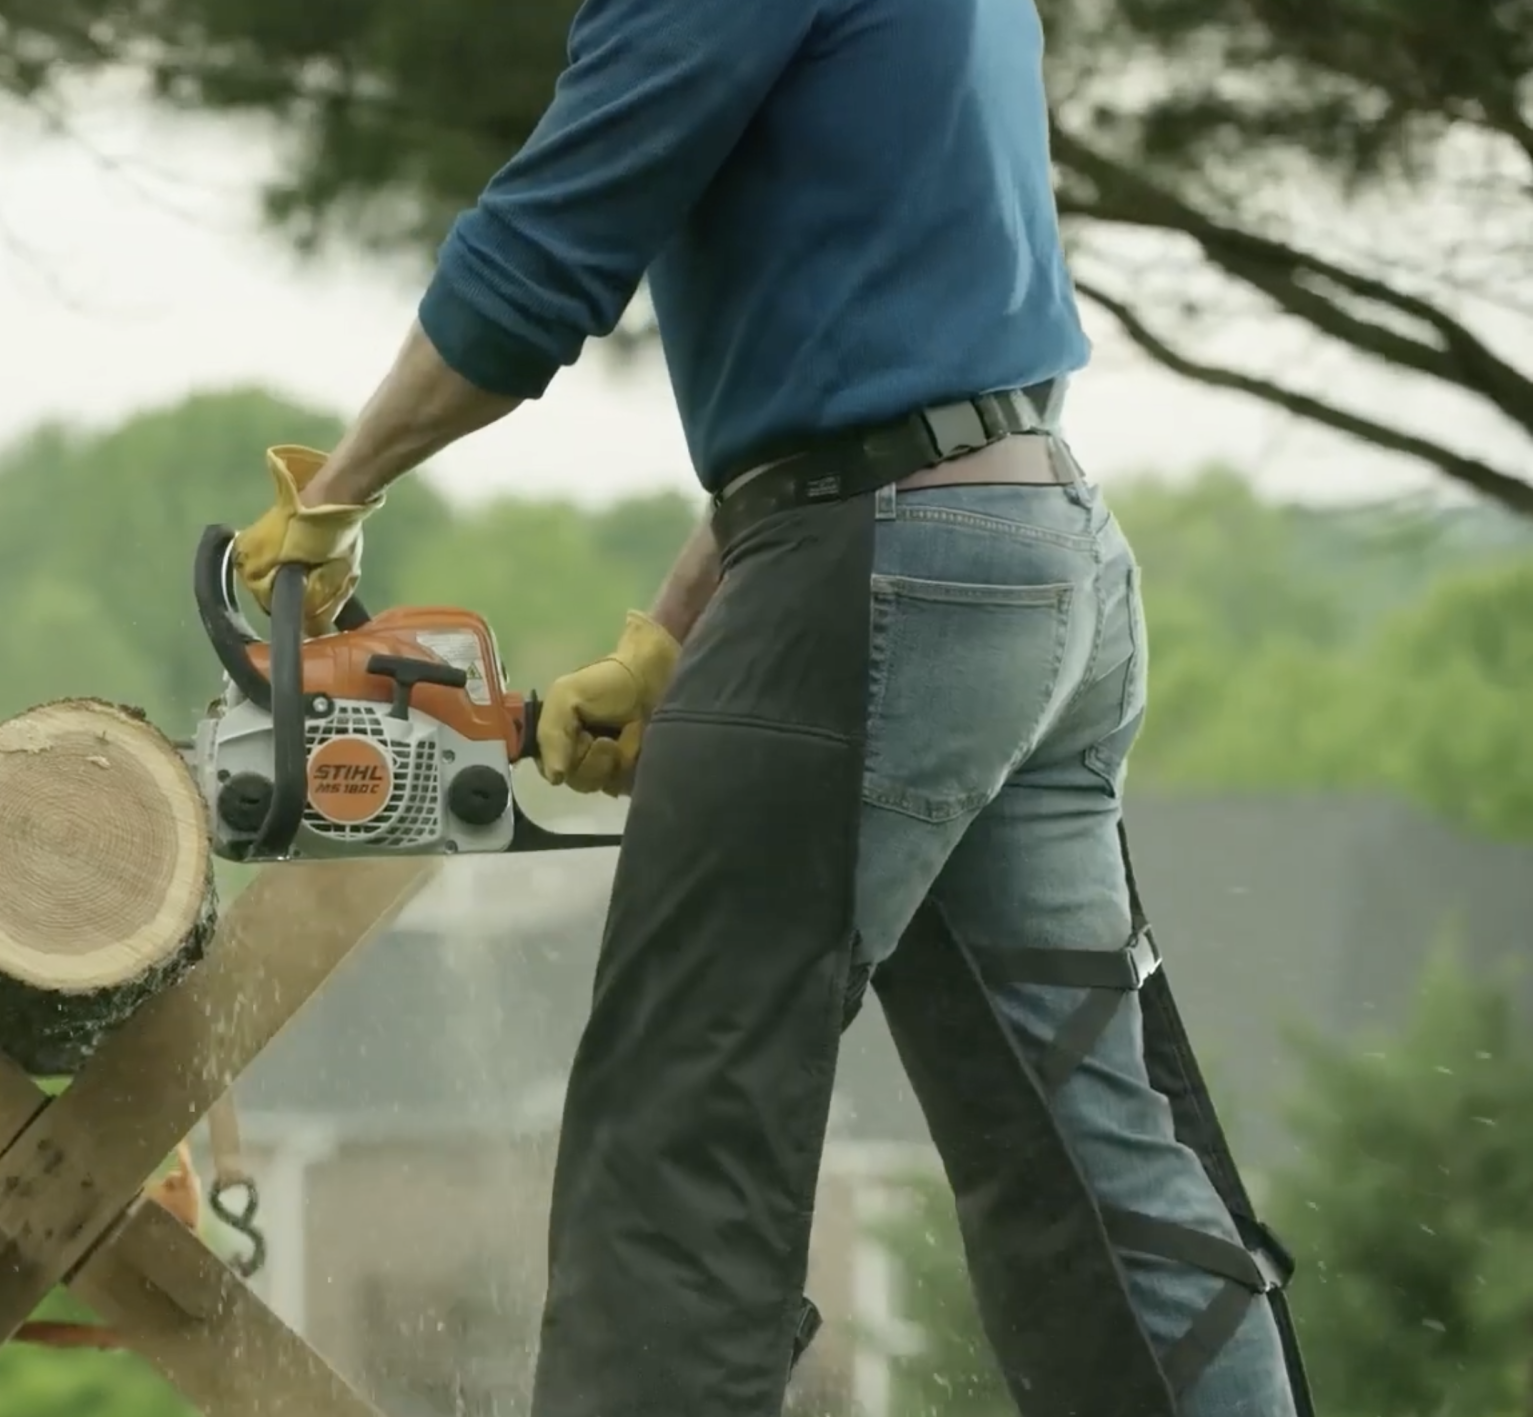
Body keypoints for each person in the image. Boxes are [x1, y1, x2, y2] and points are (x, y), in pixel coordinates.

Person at [228, 0, 1318, 1413]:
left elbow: (540, 254)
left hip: (885, 565)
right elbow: (889, 346)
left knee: (682, 1132)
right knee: (1082, 1143)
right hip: (1036, 544)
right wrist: (671, 637)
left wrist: (335, 496)